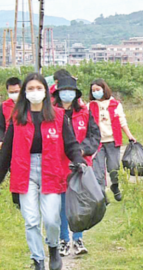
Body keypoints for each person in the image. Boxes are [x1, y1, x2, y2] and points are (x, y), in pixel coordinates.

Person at [0, 73, 87, 270]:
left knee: (52, 219)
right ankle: (38, 259)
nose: (35, 92)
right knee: (32, 220)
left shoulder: (58, 116)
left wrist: (79, 160)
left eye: (39, 88)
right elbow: (7, 149)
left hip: (50, 171)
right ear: (25, 93)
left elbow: (70, 144)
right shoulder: (17, 118)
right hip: (24, 173)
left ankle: (52, 248)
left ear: (46, 91)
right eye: (31, 89)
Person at [52, 75, 101, 257]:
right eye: (64, 91)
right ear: (58, 93)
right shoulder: (52, 113)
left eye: (71, 91)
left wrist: (83, 150)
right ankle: (64, 240)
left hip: (80, 165)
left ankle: (78, 239)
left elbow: (94, 136)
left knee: (81, 201)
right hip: (59, 165)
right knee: (64, 205)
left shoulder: (85, 113)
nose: (67, 94)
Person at [89, 79, 136, 202]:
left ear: (104, 89)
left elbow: (122, 121)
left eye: (98, 90)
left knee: (113, 168)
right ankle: (102, 196)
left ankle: (115, 185)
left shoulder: (115, 104)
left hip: (112, 141)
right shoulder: (90, 106)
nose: (96, 92)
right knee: (98, 171)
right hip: (97, 143)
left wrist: (129, 135)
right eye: (93, 91)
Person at [0, 77, 21, 149]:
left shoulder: (28, 104)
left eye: (16, 91)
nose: (14, 94)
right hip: (9, 142)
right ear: (7, 91)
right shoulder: (4, 106)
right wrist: (0, 140)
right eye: (11, 92)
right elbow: (1, 126)